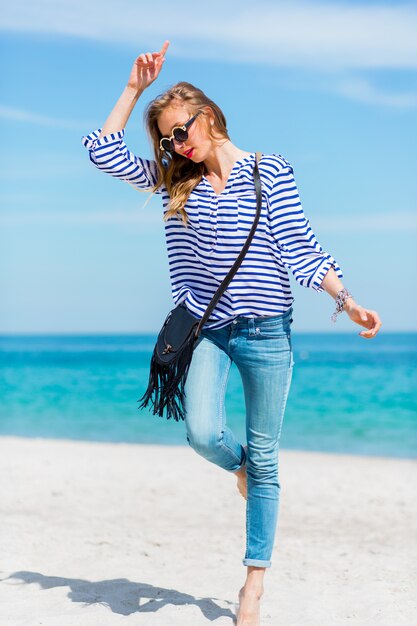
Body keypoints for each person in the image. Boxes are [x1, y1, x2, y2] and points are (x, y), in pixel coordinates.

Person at [81, 40, 382, 626]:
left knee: (268, 458)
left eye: (180, 131)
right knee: (200, 433)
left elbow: (301, 244)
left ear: (209, 117)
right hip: (210, 335)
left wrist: (347, 301)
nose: (175, 145)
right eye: (166, 139)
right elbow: (99, 152)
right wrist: (132, 90)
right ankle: (241, 469)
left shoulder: (271, 170)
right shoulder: (174, 181)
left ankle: (252, 585)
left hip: (269, 333)